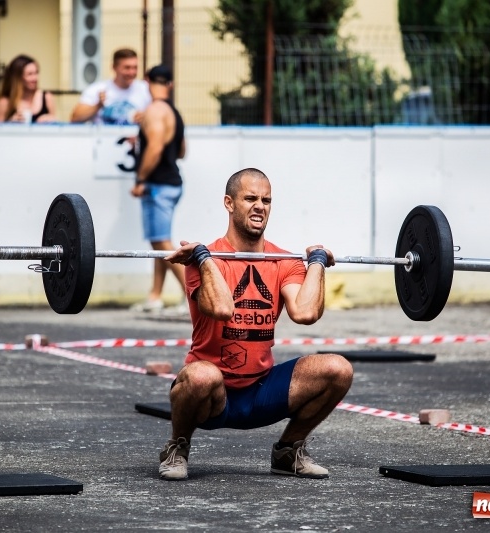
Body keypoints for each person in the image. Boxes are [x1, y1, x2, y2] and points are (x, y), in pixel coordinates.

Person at [157, 167, 354, 481]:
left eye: (266, 200)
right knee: (200, 375)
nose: (259, 206)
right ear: (229, 203)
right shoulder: (201, 261)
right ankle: (178, 446)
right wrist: (205, 258)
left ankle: (288, 451)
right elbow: (222, 309)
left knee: (338, 369)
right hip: (211, 395)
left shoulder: (283, 261)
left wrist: (316, 261)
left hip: (262, 392)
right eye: (250, 198)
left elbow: (305, 314)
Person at [129, 65, 187, 315]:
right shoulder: (174, 112)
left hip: (158, 185)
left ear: (146, 81)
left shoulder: (153, 111)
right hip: (172, 183)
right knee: (159, 244)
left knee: (163, 242)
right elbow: (182, 151)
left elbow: (154, 149)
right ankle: (155, 296)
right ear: (170, 85)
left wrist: (141, 179)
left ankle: (193, 298)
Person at [70, 48, 151, 125]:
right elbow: (75, 119)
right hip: (104, 139)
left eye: (135, 68)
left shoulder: (145, 89)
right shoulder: (97, 89)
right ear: (114, 67)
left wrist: (145, 117)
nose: (131, 72)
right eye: (127, 68)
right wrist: (98, 106)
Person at [0, 54, 57, 123]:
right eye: (30, 74)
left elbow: (56, 128)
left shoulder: (47, 97)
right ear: (17, 78)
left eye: (36, 73)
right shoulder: (5, 102)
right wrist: (10, 123)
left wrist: (51, 119)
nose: (35, 78)